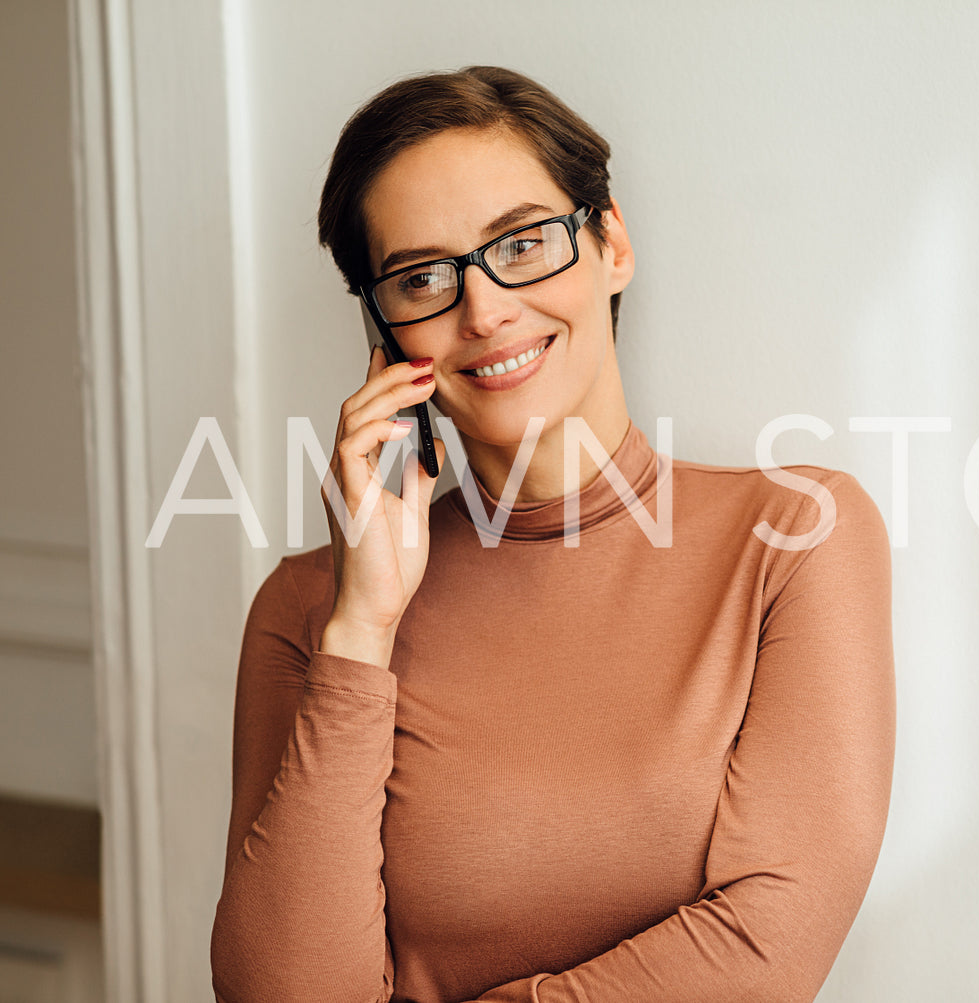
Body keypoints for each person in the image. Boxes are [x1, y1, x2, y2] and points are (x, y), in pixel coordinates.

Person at [209, 65, 895, 1003]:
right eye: (422, 277)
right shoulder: (307, 611)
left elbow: (767, 943)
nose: (484, 310)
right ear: (384, 332)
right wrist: (361, 631)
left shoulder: (793, 536)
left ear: (609, 241)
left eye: (522, 243)